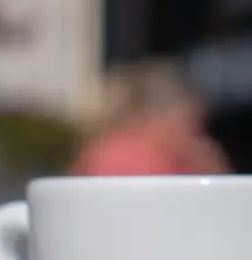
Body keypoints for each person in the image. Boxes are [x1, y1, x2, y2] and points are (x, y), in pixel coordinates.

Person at [71, 60, 229, 177]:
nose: (197, 135)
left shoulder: (182, 158)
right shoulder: (125, 156)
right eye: (188, 122)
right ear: (153, 116)